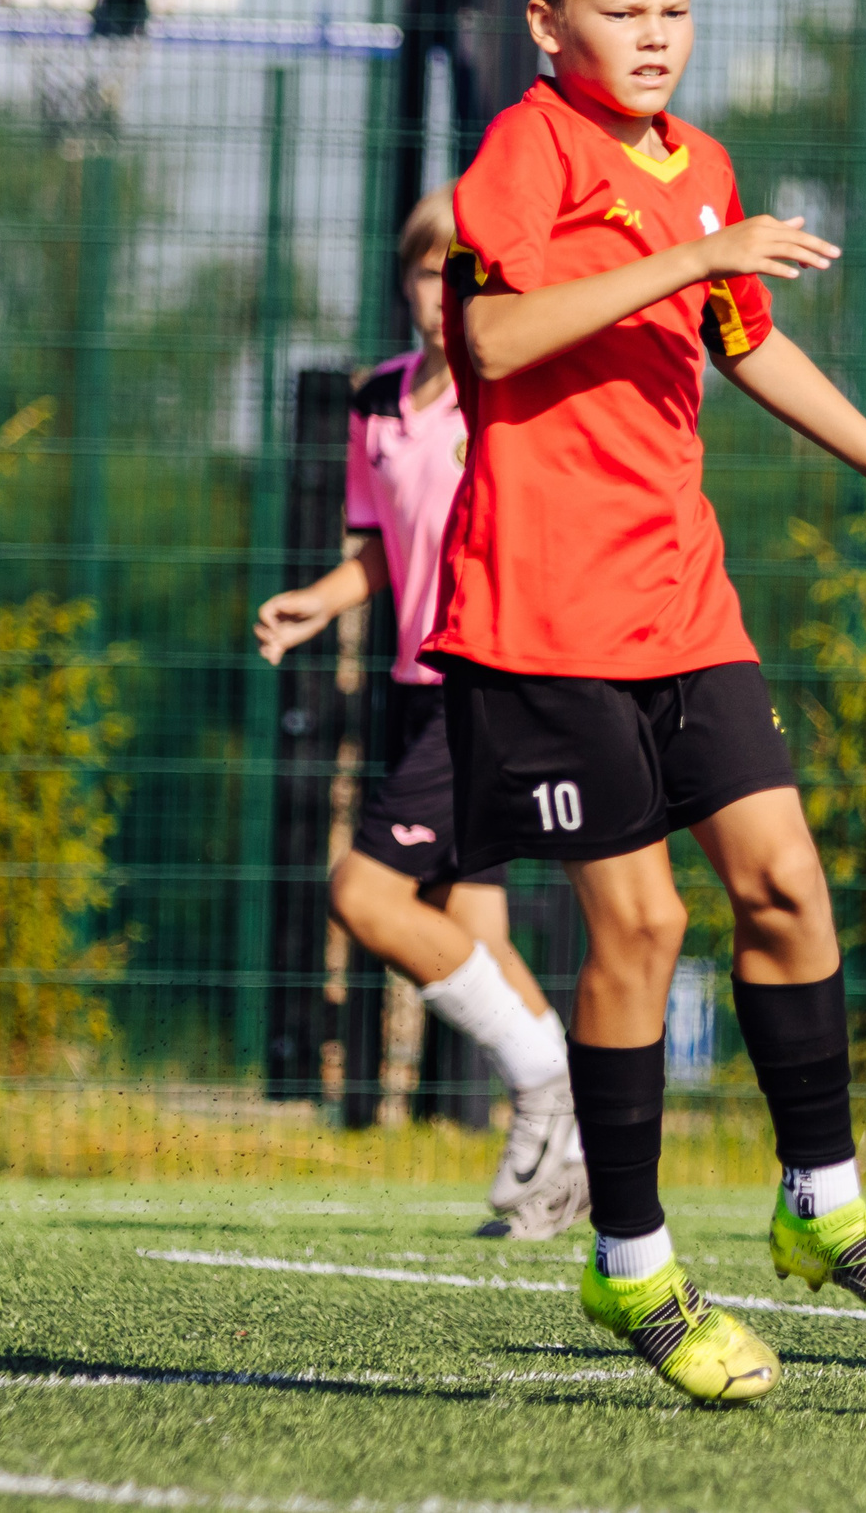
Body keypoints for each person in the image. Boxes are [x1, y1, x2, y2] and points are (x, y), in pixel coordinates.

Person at [428, 0, 866, 1407]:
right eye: (626, 7)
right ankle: (633, 1264)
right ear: (552, 23)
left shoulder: (705, 163)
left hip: (681, 595)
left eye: (677, 4)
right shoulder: (527, 152)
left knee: (786, 887)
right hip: (539, 614)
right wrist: (687, 253)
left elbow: (748, 345)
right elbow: (495, 331)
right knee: (643, 928)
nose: (659, 31)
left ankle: (825, 1210)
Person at [253, 189, 588, 1242]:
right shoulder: (380, 404)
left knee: (360, 893)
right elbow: (381, 551)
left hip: (484, 685)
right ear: (402, 283)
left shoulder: (508, 401)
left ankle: (550, 1090)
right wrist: (322, 600)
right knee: (469, 926)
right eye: (425, 271)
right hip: (412, 687)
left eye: (463, 274)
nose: (442, 291)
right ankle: (560, 1167)